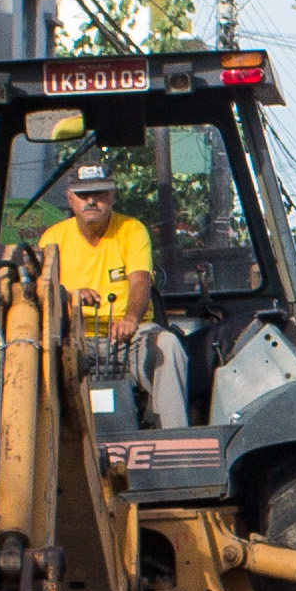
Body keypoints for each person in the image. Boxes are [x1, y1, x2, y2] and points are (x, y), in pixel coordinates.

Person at [38, 156, 186, 428]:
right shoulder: (53, 239)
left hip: (128, 336)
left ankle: (174, 436)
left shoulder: (131, 230)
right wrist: (71, 296)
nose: (91, 201)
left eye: (99, 193)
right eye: (83, 194)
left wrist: (130, 318)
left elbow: (140, 281)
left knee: (168, 346)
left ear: (113, 195)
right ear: (70, 198)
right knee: (33, 356)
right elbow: (44, 292)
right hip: (74, 337)